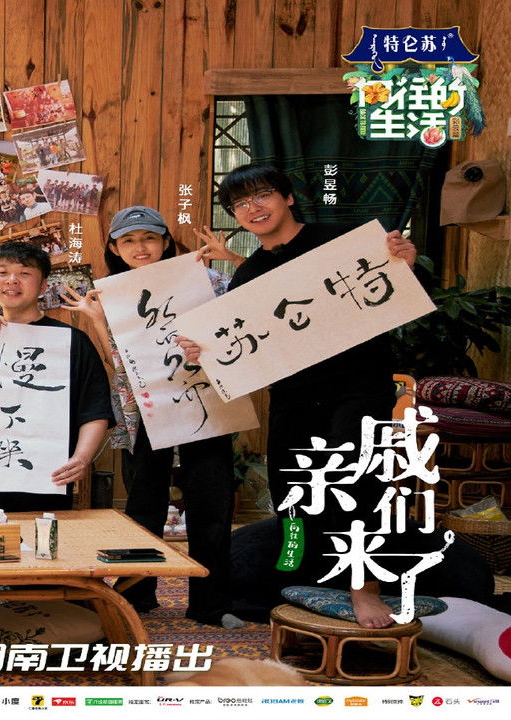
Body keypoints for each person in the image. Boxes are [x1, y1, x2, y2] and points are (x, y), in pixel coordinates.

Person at [177, 162, 420, 629]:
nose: (252, 207)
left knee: (357, 484)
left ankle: (364, 588)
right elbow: (242, 348)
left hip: (357, 387)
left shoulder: (343, 241)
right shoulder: (249, 274)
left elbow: (397, 298)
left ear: (287, 197)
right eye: (240, 203)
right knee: (290, 492)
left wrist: (403, 265)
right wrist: (203, 352)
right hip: (292, 396)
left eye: (262, 195)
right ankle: (297, 577)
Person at [61, 206, 242, 628]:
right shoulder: (110, 294)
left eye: (148, 238)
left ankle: (210, 604)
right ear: (114, 248)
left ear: (165, 242)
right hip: (144, 408)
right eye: (128, 240)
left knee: (211, 503)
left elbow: (243, 322)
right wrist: (99, 320)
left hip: (207, 402)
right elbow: (119, 362)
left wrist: (234, 261)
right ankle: (137, 594)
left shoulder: (208, 280)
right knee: (144, 503)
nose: (139, 248)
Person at [0, 241, 114, 512]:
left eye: (25, 273)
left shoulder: (71, 341)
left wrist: (82, 457)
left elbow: (94, 408)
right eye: (2, 272)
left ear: (43, 286)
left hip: (46, 485)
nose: (12, 280)